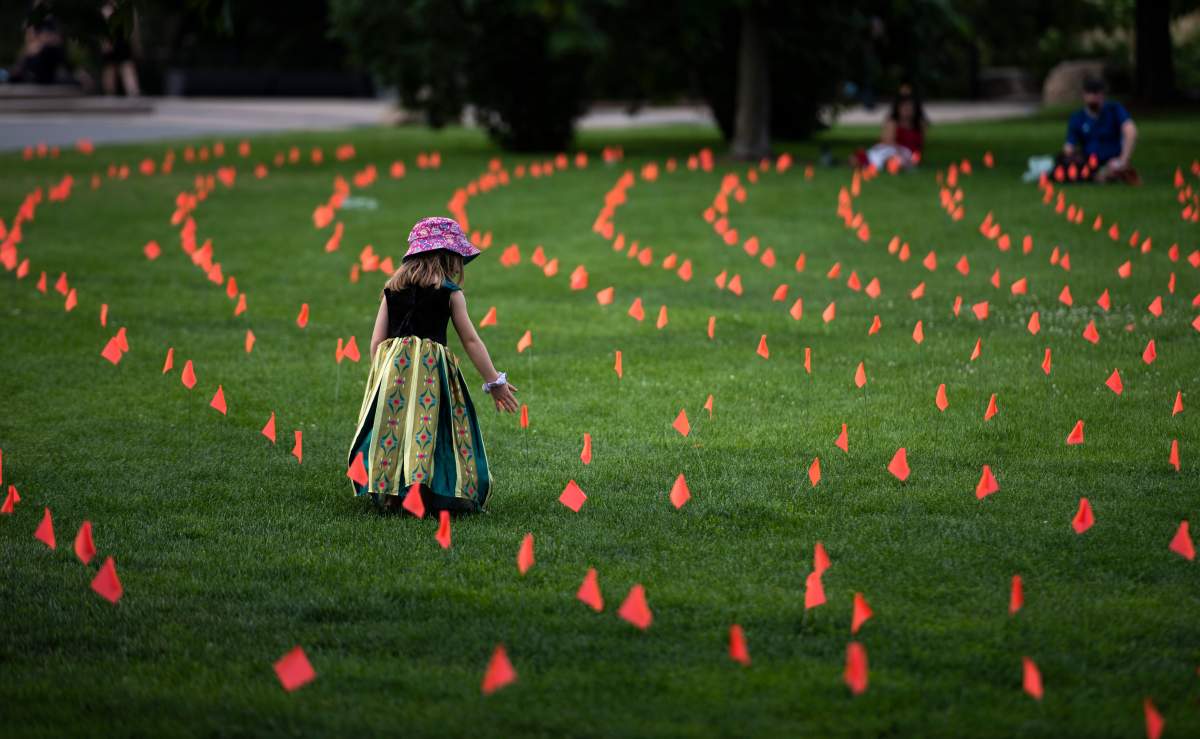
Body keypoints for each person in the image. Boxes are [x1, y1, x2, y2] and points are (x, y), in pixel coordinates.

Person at [347, 217, 517, 514]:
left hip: (393, 371)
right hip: (430, 373)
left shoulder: (392, 289)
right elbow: (471, 341)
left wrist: (381, 373)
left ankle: (391, 494)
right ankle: (432, 492)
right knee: (430, 429)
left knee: (394, 430)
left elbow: (376, 341)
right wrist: (495, 381)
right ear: (450, 257)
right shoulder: (450, 292)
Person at [1059, 77, 1138, 184]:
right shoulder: (1077, 118)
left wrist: (1123, 160)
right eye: (1090, 93)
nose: (1094, 96)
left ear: (1103, 94)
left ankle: (1117, 171)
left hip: (1113, 158)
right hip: (1090, 162)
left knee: (1114, 168)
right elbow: (1069, 146)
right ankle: (1100, 176)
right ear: (1084, 94)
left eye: (1097, 93)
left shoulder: (1114, 110)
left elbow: (1130, 130)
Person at [850, 86, 926, 171]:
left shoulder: (919, 124)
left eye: (909, 108)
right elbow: (888, 142)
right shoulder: (893, 122)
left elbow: (919, 146)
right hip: (892, 150)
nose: (907, 110)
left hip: (906, 153)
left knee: (896, 160)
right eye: (904, 108)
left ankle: (882, 165)